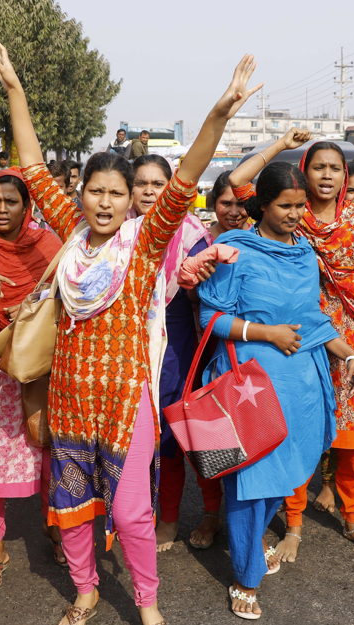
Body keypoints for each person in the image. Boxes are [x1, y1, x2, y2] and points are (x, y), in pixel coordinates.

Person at [0, 39, 261, 625]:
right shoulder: (73, 236)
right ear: (79, 195)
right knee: (72, 508)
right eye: (96, 192)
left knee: (133, 514)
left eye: (117, 192)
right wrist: (14, 91)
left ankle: (148, 604)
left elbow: (189, 172)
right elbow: (31, 166)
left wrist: (218, 114)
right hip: (70, 397)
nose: (107, 202)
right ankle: (85, 592)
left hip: (125, 401)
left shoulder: (144, 242)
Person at [194, 160, 354, 618]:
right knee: (251, 482)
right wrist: (266, 334)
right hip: (250, 384)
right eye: (285, 206)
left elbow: (312, 320)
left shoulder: (305, 252)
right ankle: (244, 577)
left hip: (301, 388)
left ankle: (248, 547)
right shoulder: (234, 250)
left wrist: (348, 354)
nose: (295, 214)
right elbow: (210, 318)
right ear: (262, 205)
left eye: (301, 206)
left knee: (285, 475)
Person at [249, 137, 354, 561]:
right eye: (319, 167)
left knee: (352, 444)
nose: (328, 175)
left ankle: (353, 521)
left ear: (345, 174)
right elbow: (244, 190)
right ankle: (293, 526)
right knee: (298, 435)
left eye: (336, 168)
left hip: (352, 337)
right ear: (304, 171)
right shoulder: (287, 219)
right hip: (300, 337)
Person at [0, 169, 63, 588]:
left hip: (42, 363)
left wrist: (33, 310)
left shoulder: (49, 245)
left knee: (49, 451)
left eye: (12, 202)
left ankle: (57, 527)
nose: (2, 210)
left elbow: (69, 295)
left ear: (28, 206)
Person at [128, 154, 222, 553]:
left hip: (179, 351)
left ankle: (194, 515)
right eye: (141, 183)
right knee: (138, 438)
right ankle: (143, 513)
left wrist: (192, 285)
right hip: (131, 350)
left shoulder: (192, 237)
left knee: (183, 435)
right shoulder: (120, 230)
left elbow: (209, 300)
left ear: (173, 188)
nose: (149, 191)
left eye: (157, 184)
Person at [206, 169, 252, 239]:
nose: (234, 213)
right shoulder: (201, 241)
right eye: (226, 203)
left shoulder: (260, 237)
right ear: (214, 204)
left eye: (241, 204)